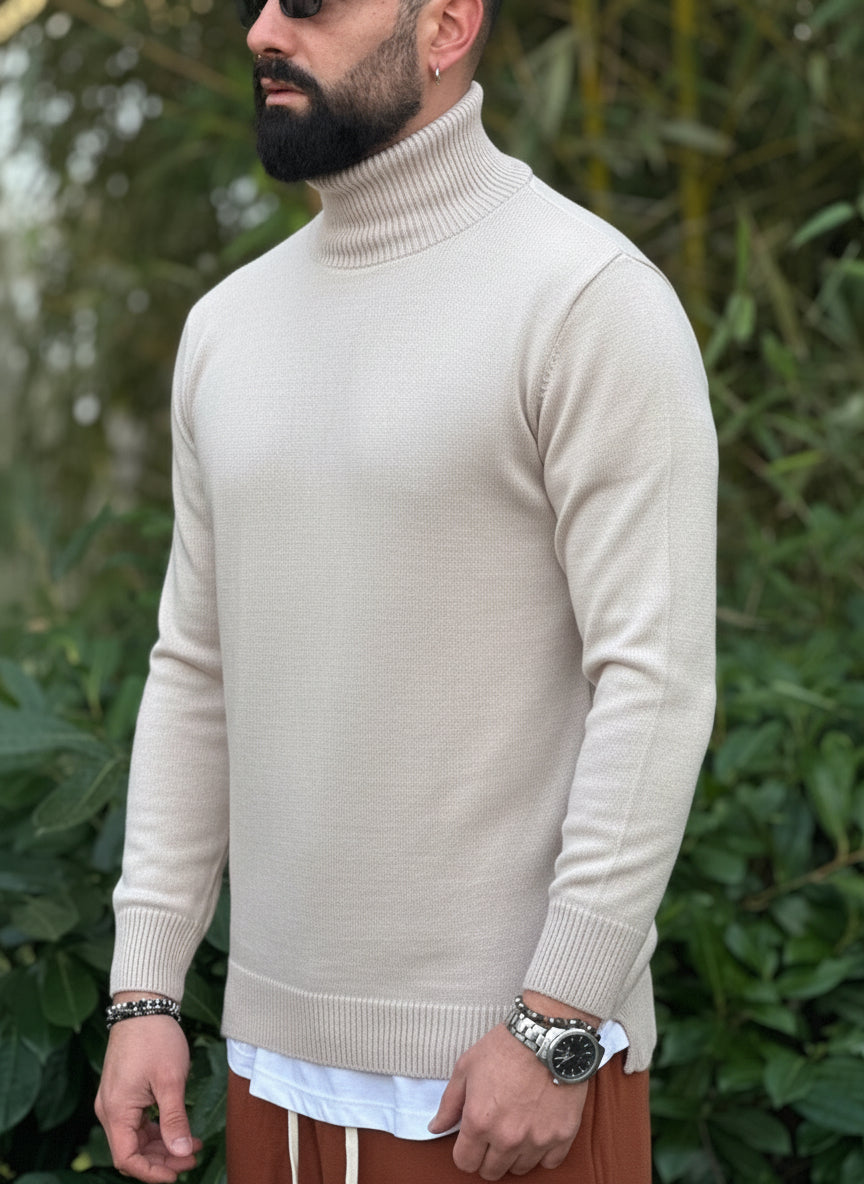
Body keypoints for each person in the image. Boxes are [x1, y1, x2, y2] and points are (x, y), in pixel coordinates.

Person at [94, 0, 717, 1179]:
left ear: (446, 25)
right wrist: (144, 989)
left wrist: (558, 1017)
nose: (263, 30)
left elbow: (656, 681)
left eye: (311, 1)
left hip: (507, 1084)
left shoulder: (587, 297)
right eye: (260, 1)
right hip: (267, 1070)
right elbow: (196, 668)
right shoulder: (224, 328)